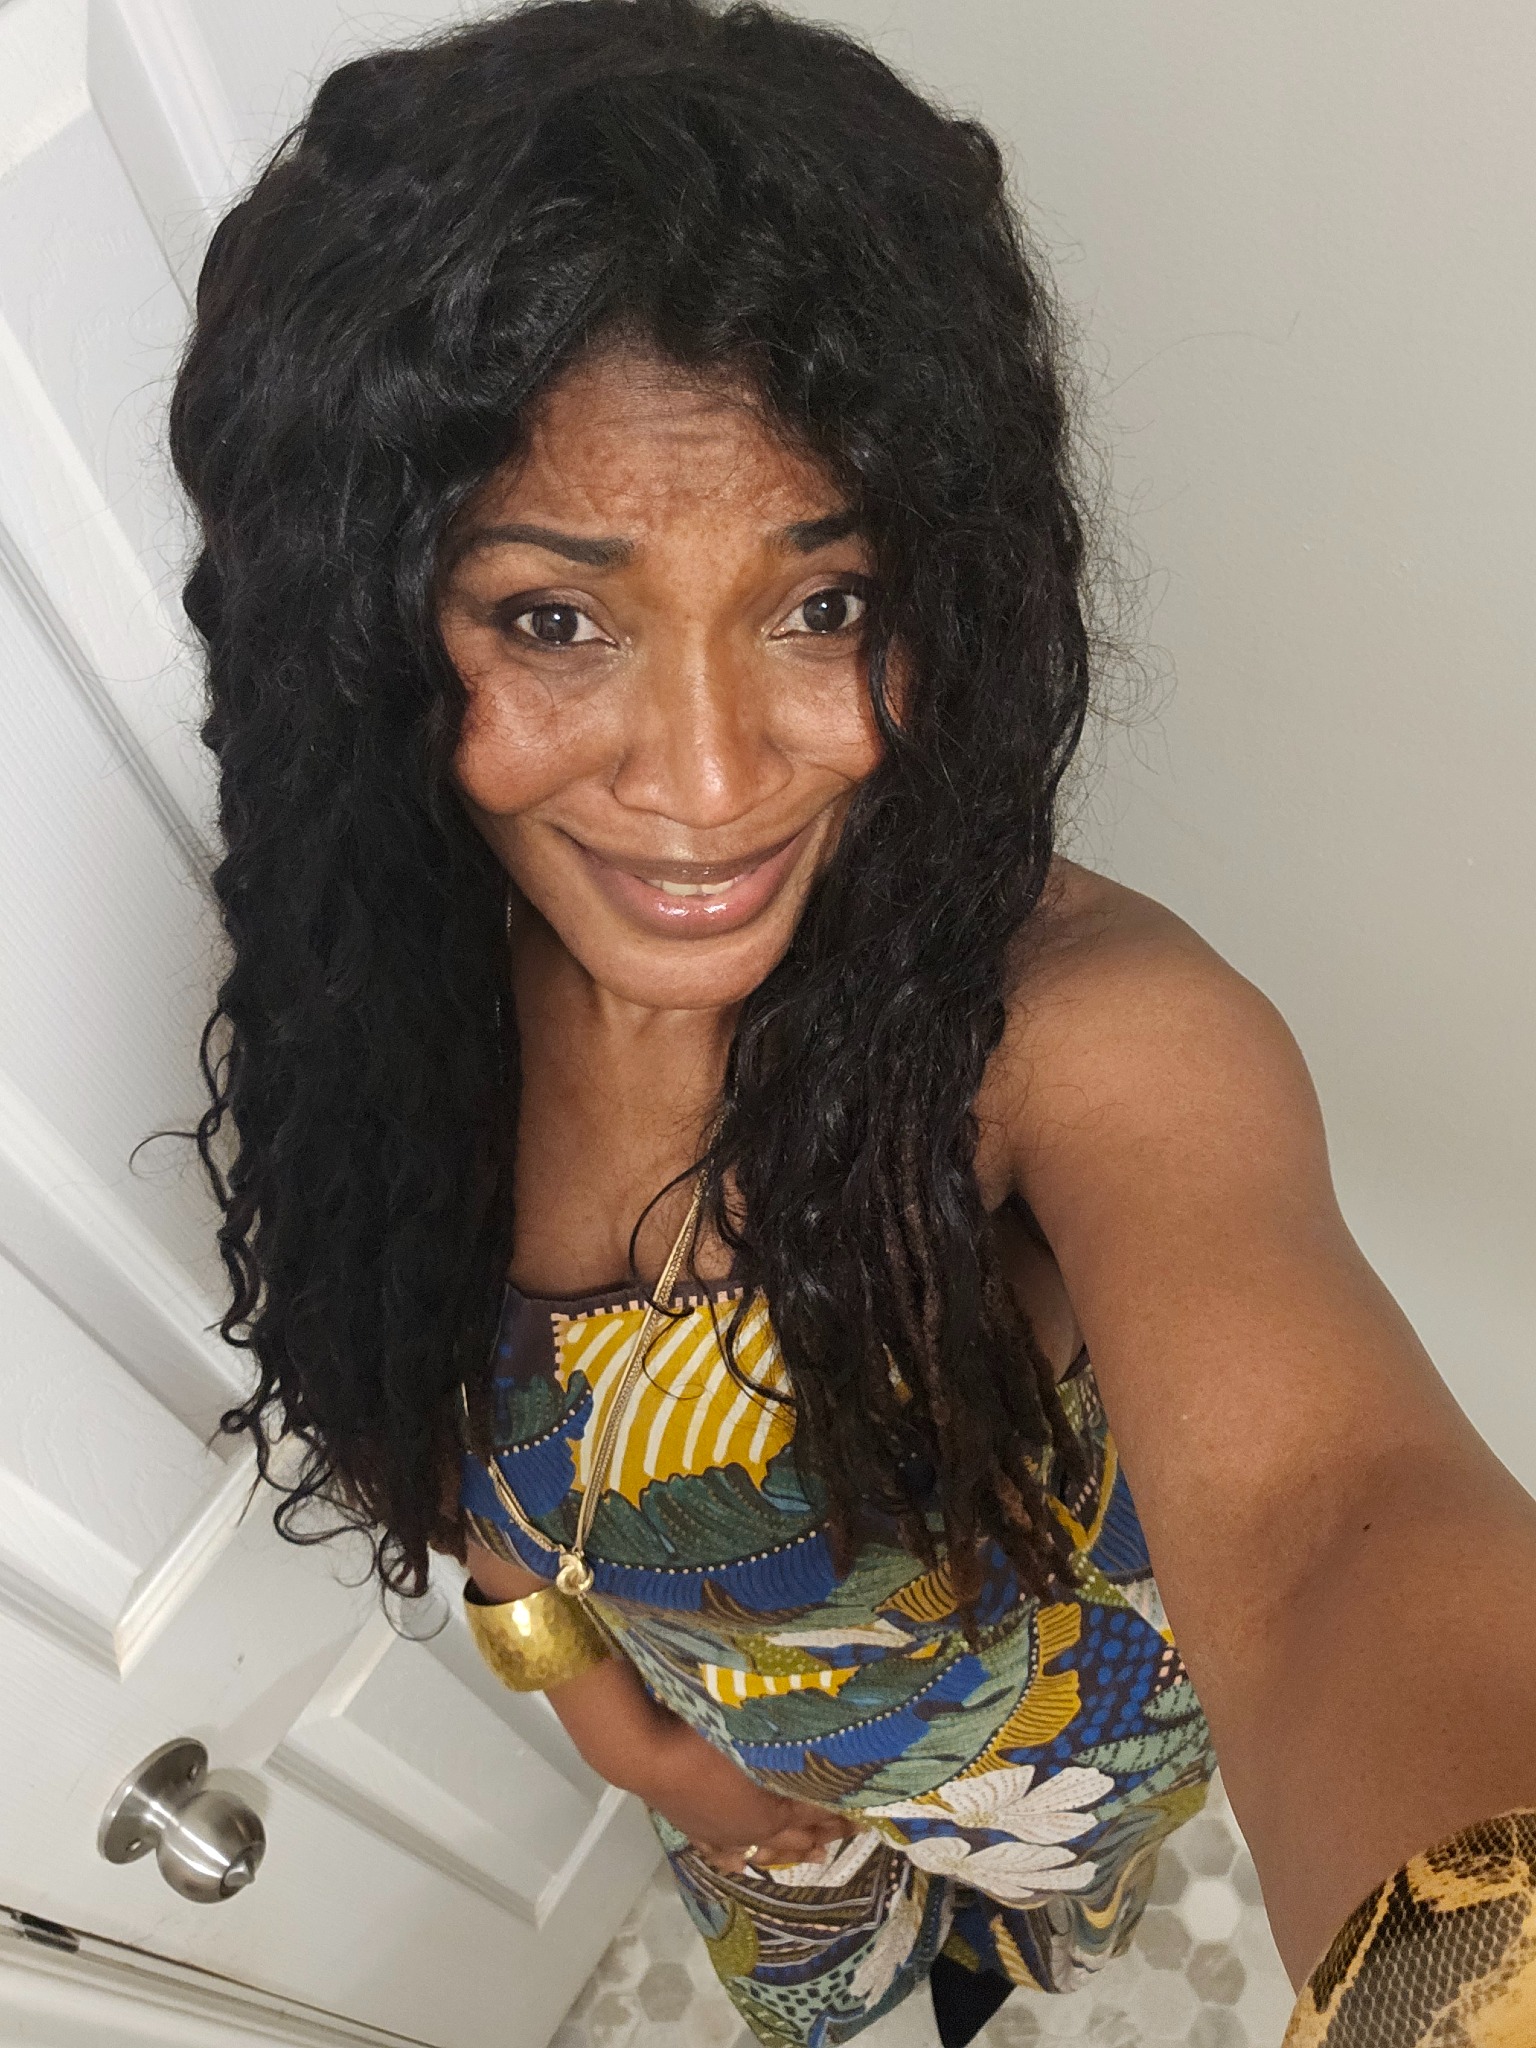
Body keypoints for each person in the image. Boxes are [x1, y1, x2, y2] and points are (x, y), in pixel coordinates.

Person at [170, 2, 1536, 2041]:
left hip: (1050, 1767)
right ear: (367, 622)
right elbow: (452, 1423)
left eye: (825, 605)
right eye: (555, 617)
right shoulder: (391, 976)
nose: (713, 781)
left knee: (1015, 1946)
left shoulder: (1078, 1035)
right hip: (735, 1798)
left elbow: (1332, 1520)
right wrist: (632, 1743)